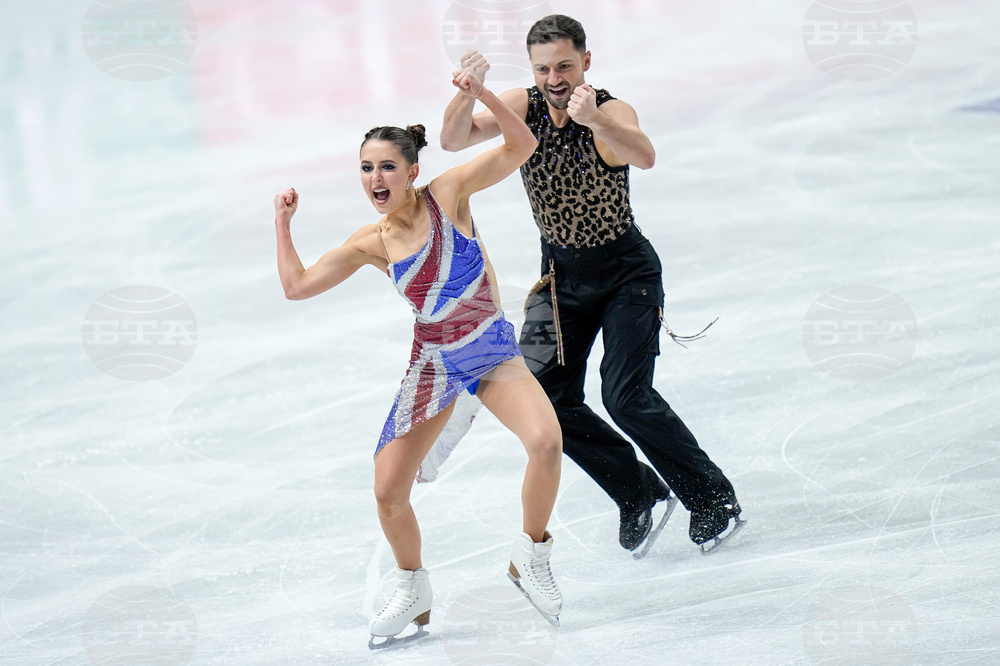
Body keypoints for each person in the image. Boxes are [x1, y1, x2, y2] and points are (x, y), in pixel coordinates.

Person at [273, 63, 564, 645]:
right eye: (365, 168)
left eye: (386, 167)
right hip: (435, 365)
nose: (375, 178)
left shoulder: (448, 195)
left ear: (411, 171)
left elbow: (523, 143)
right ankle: (413, 587)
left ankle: (531, 555)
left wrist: (481, 94)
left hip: (490, 350)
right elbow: (297, 286)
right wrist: (282, 224)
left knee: (546, 442)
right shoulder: (371, 242)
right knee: (387, 492)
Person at [440, 14, 744, 556]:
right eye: (542, 68)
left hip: (626, 272)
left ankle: (712, 498)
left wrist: (598, 120)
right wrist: (467, 92)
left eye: (564, 65)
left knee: (626, 397)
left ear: (586, 60)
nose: (554, 79)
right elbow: (453, 137)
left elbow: (645, 156)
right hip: (559, 279)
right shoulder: (523, 108)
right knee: (546, 399)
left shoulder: (609, 108)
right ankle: (638, 492)